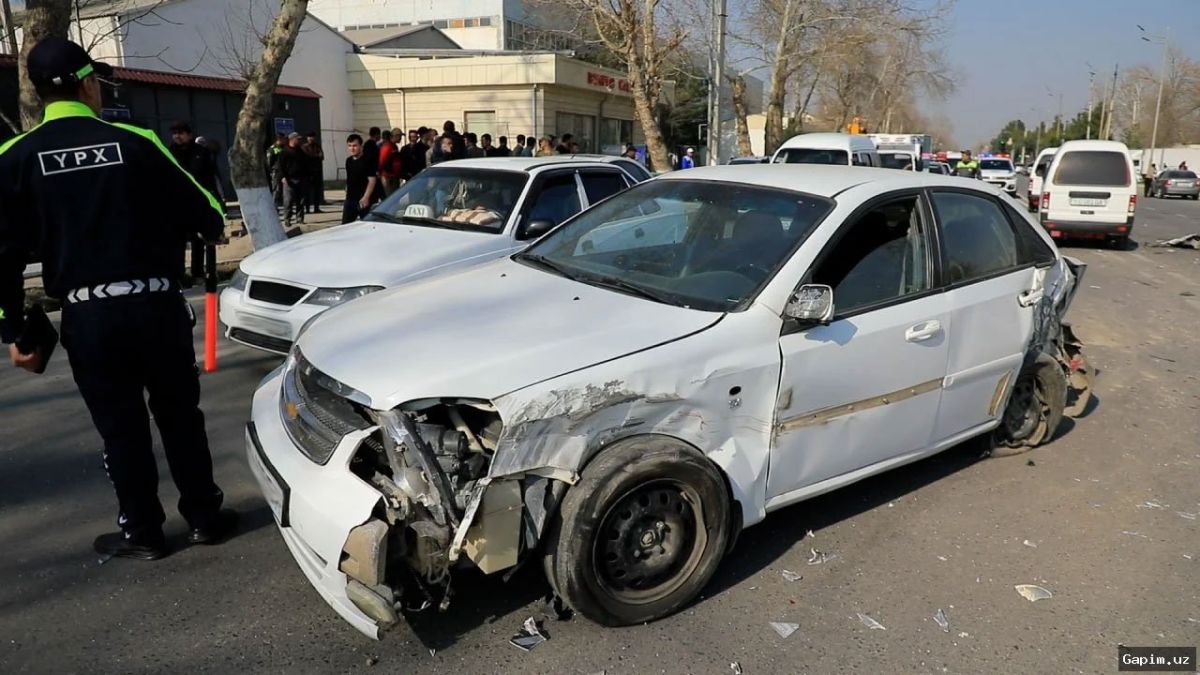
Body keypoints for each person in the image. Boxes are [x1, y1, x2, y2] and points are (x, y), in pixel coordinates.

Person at [0, 37, 236, 561]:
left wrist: (14, 329)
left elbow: (2, 257)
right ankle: (204, 517)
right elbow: (209, 215)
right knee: (180, 416)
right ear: (87, 84)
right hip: (155, 306)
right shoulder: (135, 141)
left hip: (88, 316)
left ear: (36, 93)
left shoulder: (13, 158)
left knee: (120, 428)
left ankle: (143, 532)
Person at [168, 121, 220, 284]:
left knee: (198, 242)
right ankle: (179, 274)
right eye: (175, 133)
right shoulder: (169, 152)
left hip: (197, 203)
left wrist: (216, 201)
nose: (177, 136)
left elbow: (210, 178)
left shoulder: (201, 152)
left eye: (181, 132)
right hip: (176, 205)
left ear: (189, 135)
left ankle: (198, 273)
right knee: (178, 242)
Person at [342, 134, 378, 224]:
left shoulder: (368, 160)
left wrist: (366, 197)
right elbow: (349, 178)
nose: (352, 148)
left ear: (361, 146)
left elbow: (372, 180)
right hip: (350, 199)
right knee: (345, 226)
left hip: (363, 199)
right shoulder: (348, 161)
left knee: (366, 225)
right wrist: (346, 189)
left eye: (355, 146)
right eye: (350, 146)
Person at [278, 132, 306, 227]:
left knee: (301, 200)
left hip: (300, 179)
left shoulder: (300, 151)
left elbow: (304, 164)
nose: (299, 140)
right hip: (289, 179)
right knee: (288, 201)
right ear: (292, 139)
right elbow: (280, 166)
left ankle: (300, 218)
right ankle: (287, 219)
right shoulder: (284, 152)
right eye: (297, 139)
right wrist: (283, 177)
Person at [301, 132, 324, 213]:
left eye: (312, 137)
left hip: (316, 172)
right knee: (307, 192)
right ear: (307, 138)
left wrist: (313, 157)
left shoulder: (317, 146)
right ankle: (307, 209)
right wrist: (315, 157)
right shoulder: (304, 147)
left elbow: (321, 156)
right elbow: (306, 158)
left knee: (316, 191)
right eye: (309, 137)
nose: (311, 138)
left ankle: (316, 208)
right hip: (307, 173)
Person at [377, 129, 402, 195]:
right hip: (388, 177)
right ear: (396, 136)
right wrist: (381, 174)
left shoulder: (394, 146)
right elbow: (382, 160)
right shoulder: (387, 146)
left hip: (394, 176)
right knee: (391, 196)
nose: (401, 138)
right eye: (400, 136)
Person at [266, 132, 286, 206]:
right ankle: (274, 207)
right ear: (279, 139)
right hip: (276, 172)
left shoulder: (283, 148)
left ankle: (285, 208)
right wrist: (272, 171)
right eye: (283, 139)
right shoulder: (272, 149)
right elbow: (269, 162)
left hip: (284, 172)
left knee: (285, 191)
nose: (285, 140)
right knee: (276, 190)